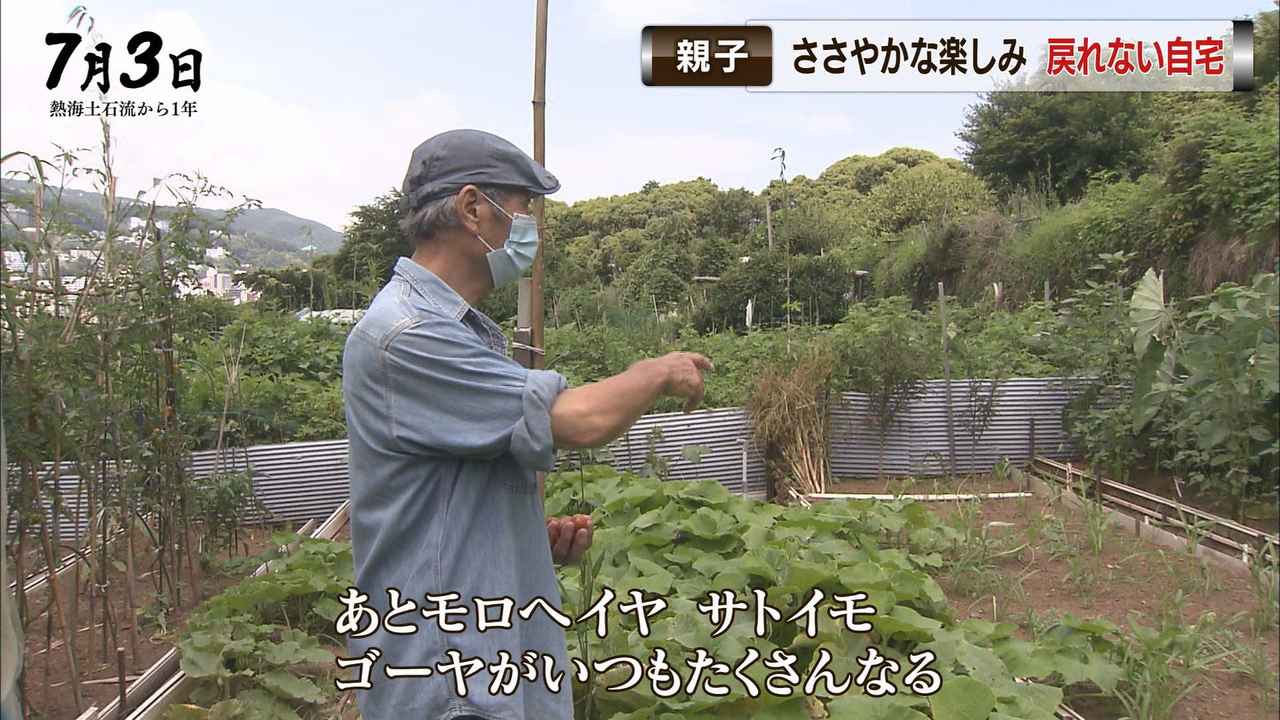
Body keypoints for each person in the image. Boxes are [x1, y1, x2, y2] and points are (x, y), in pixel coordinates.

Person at [341, 128, 712, 720]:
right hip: (451, 675)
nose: (529, 231)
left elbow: (445, 499)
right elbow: (579, 420)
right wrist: (655, 371)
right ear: (471, 209)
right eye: (520, 209)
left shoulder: (455, 332)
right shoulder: (408, 337)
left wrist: (518, 542)